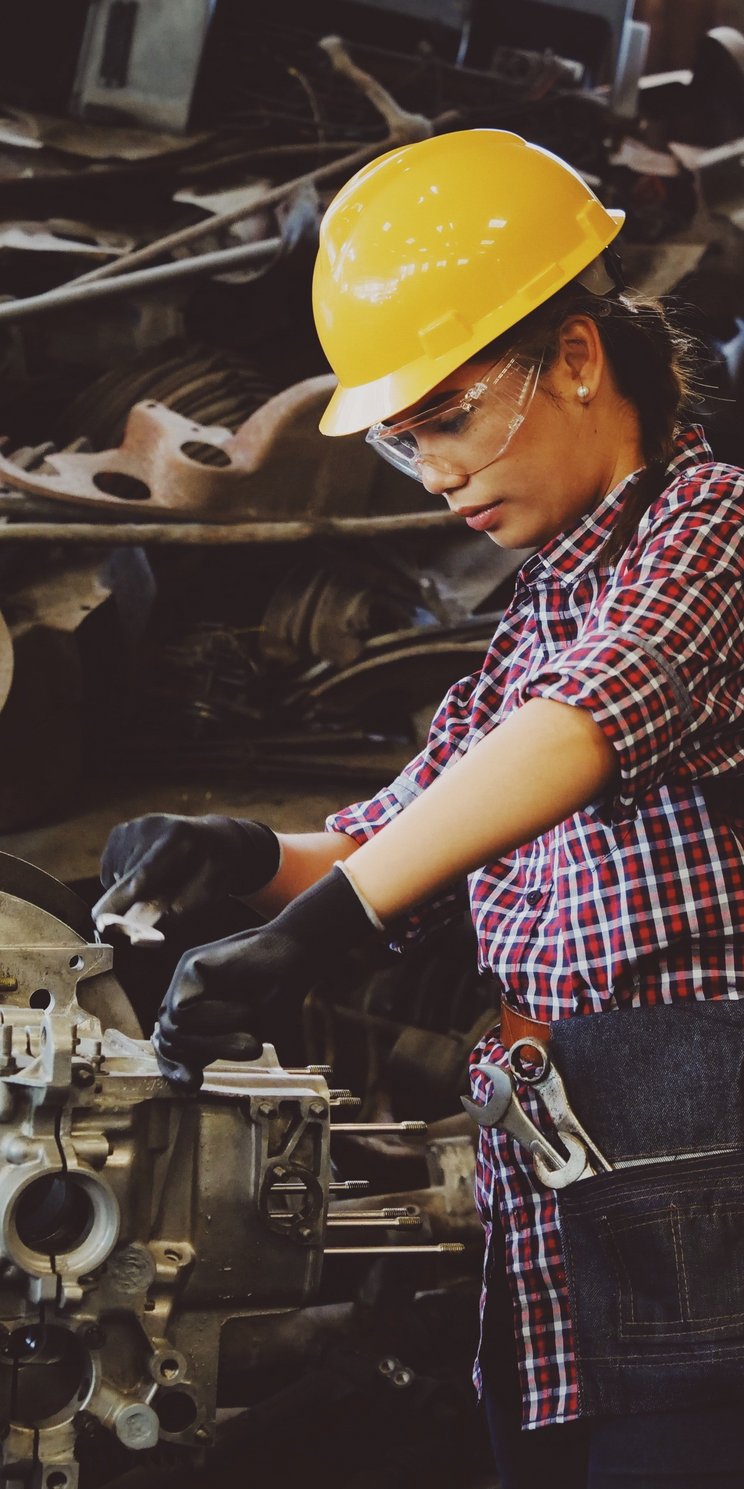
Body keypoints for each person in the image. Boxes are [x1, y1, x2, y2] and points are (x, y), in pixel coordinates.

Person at [94, 130, 744, 1488]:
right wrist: (239, 856)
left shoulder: (711, 530)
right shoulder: (531, 621)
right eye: (406, 445)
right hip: (556, 1216)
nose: (436, 471)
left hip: (700, 1206)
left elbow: (587, 728)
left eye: (449, 416)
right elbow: (407, 828)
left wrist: (328, 920)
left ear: (575, 358)